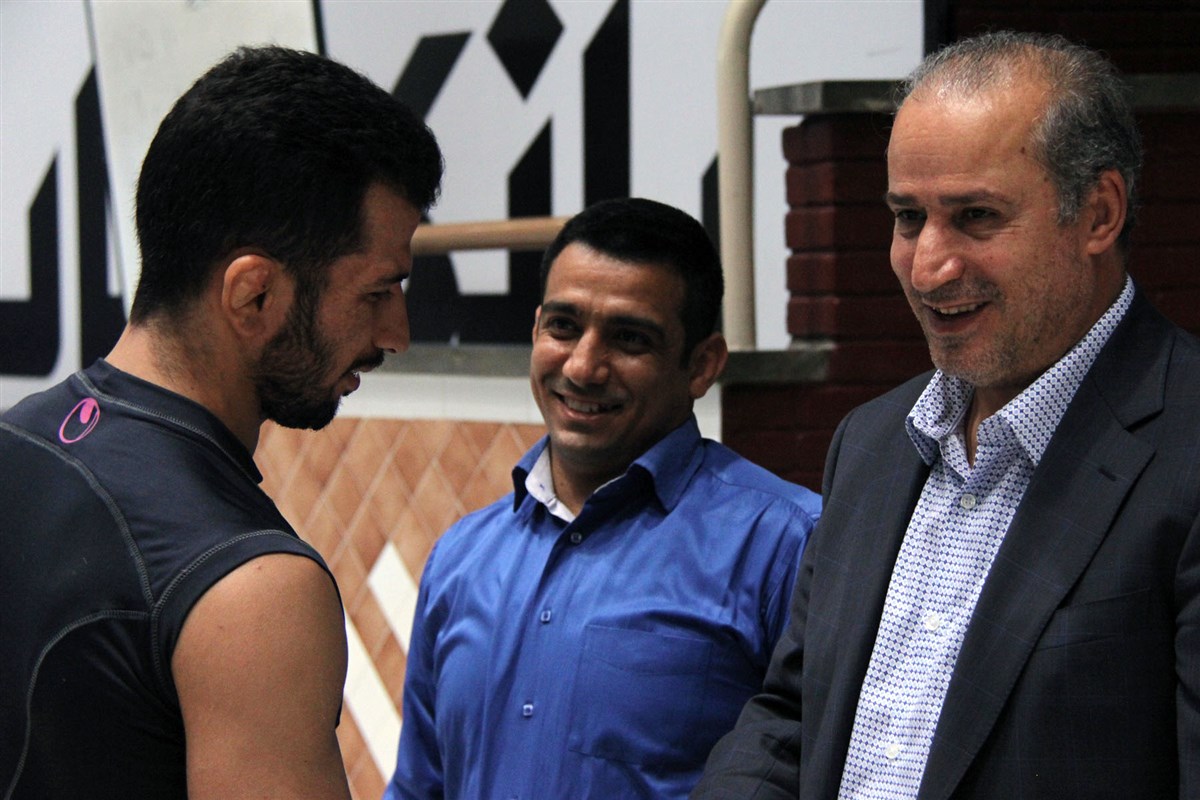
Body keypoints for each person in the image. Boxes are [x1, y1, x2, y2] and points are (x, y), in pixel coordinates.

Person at [692, 30, 1200, 800]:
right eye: (907, 216)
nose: (928, 267)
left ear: (1099, 213)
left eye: (976, 216)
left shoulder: (1183, 450)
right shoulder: (870, 443)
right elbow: (795, 715)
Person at [0, 46, 442, 799]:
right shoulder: (256, 590)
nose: (396, 333)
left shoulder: (16, 441)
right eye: (378, 292)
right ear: (253, 295)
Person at [383, 197, 822, 799]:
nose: (584, 367)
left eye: (629, 339)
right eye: (563, 327)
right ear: (536, 329)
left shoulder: (787, 547)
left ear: (701, 366)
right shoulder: (462, 558)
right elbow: (419, 788)